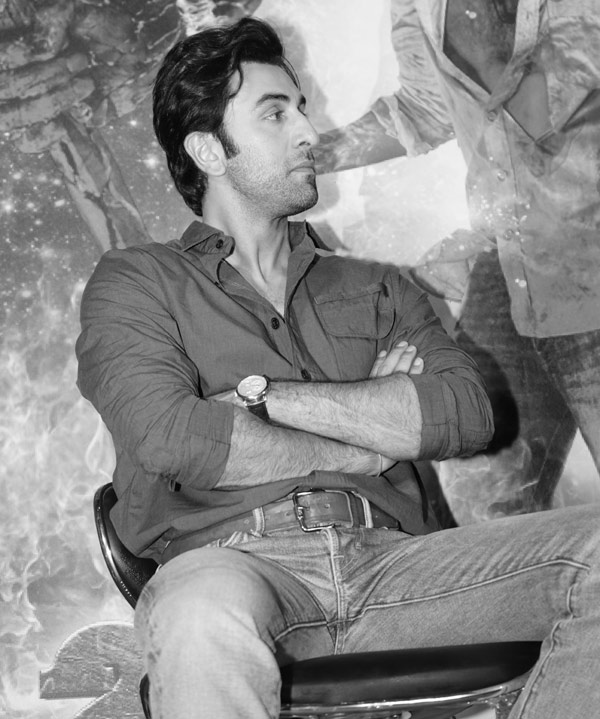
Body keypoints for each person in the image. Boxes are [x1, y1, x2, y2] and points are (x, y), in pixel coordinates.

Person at [75, 16, 600, 719]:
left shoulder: (375, 285)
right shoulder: (137, 281)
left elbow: (465, 413)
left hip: (399, 568)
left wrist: (266, 398)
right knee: (199, 617)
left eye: (301, 108)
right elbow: (172, 436)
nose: (307, 131)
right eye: (276, 114)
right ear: (208, 150)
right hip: (235, 565)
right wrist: (368, 437)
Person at [316, 0, 600, 522]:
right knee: (485, 509)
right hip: (506, 270)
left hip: (591, 266)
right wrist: (309, 154)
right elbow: (423, 109)